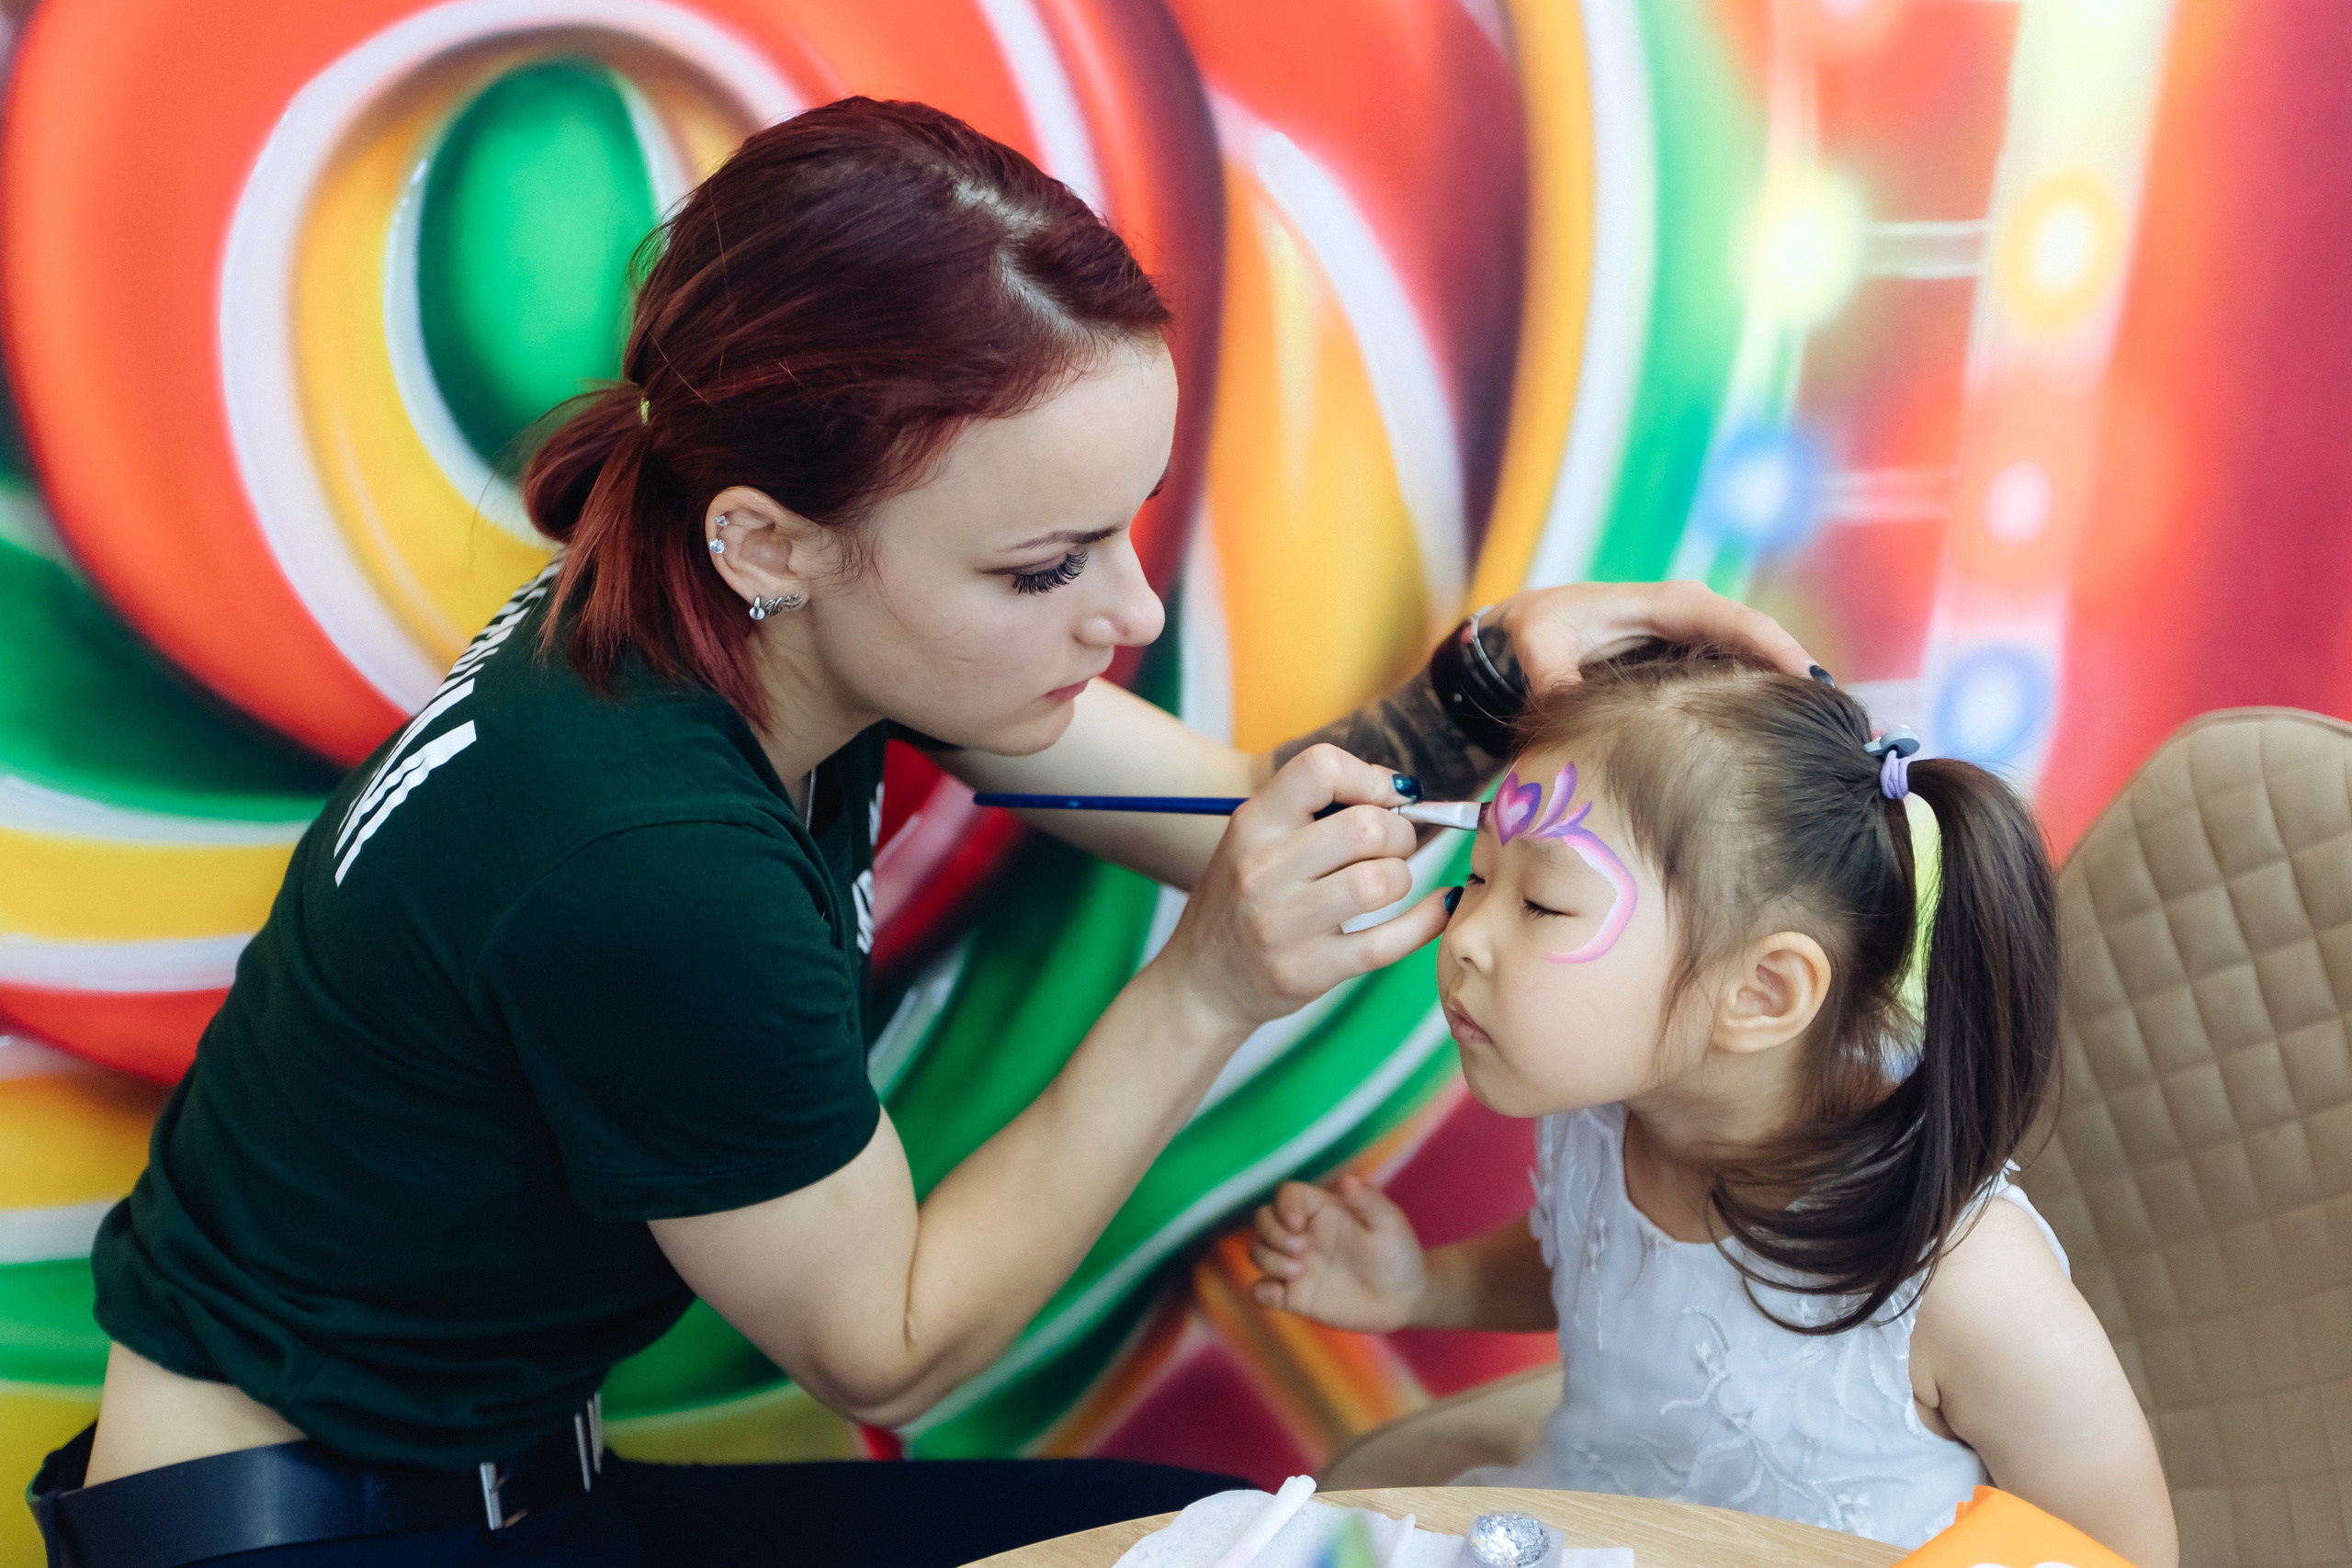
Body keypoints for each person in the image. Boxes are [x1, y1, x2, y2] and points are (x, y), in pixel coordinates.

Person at [28, 98, 1818, 1568]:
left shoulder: (759, 613)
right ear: (772, 540)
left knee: (1219, 1543)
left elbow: (1238, 829)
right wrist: (1195, 998)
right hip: (302, 1534)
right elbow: (888, 1337)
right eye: (1041, 566)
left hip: (491, 1470)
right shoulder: (642, 852)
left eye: (1125, 528)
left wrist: (1476, 695)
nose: (1123, 611)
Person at [1248, 645, 2178, 1566]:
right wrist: (1424, 1285)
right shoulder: (1609, 1114)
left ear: (1762, 993)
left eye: (1541, 907)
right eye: (1481, 879)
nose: (1467, 938)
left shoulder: (1967, 1286)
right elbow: (1602, 1262)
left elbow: (2119, 1550)